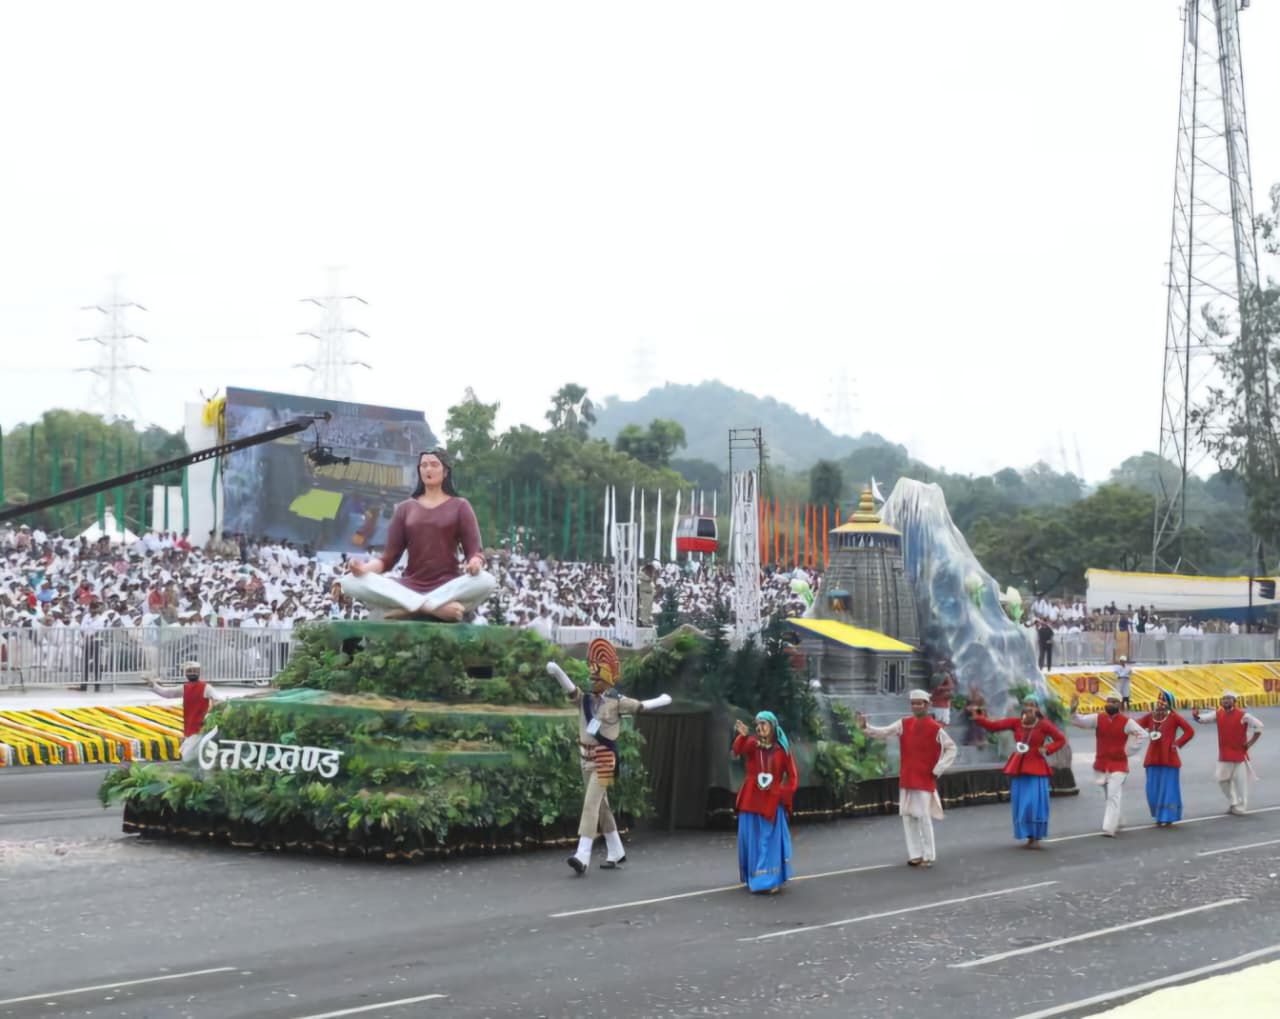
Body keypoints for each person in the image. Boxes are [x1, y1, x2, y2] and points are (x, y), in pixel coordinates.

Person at [546, 639, 671, 874]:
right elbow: (570, 688)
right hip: (585, 758)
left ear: (606, 681)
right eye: (591, 679)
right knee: (602, 807)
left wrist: (663, 700)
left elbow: (641, 706)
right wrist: (557, 672)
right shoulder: (584, 700)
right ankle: (616, 850)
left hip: (604, 758)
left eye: (597, 680)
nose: (592, 682)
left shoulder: (616, 701)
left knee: (591, 804)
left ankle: (582, 855)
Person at [340, 449, 497, 622]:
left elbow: (474, 551)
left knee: (487, 581)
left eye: (434, 465)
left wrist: (475, 563)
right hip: (410, 586)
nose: (428, 469)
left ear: (445, 471)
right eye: (424, 465)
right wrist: (363, 569)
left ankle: (408, 608)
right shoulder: (405, 508)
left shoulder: (460, 506)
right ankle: (430, 607)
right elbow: (388, 559)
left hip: (448, 585)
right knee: (349, 582)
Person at [858, 689, 958, 867]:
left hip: (925, 777)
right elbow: (884, 732)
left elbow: (952, 748)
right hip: (908, 776)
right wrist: (866, 727)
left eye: (919, 703)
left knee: (924, 817)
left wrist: (939, 768)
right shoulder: (903, 723)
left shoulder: (936, 728)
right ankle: (915, 854)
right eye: (913, 703)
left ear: (927, 705)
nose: (916, 706)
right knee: (908, 816)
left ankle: (928, 855)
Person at [967, 695, 1067, 849]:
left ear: (1038, 708)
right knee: (1021, 804)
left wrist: (1047, 749)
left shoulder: (1044, 725)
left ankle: (1036, 837)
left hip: (1036, 768)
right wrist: (979, 718)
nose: (1028, 707)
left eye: (1032, 704)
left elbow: (1061, 739)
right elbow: (995, 726)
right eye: (1026, 704)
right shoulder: (1016, 723)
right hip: (1019, 767)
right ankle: (1028, 835)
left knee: (1033, 803)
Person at [732, 710, 799, 894]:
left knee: (768, 841)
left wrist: (781, 793)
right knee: (751, 839)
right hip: (751, 800)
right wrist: (742, 736)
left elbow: (793, 778)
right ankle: (754, 876)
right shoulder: (753, 745)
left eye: (764, 724)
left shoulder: (781, 751)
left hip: (771, 803)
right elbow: (737, 751)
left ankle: (770, 880)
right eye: (757, 724)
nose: (759, 727)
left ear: (773, 726)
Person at [1068, 692, 1148, 837]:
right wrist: (1073, 710)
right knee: (1110, 795)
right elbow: (1080, 721)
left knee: (1113, 795)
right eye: (1108, 701)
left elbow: (1142, 734)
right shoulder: (1098, 718)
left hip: (1119, 765)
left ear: (1119, 704)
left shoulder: (1127, 722)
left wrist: (1128, 750)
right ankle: (1118, 819)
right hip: (1101, 764)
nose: (1110, 704)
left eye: (1114, 701)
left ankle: (1109, 828)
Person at [1192, 692, 1264, 815]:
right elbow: (1202, 719)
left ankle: (1241, 807)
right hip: (1224, 755)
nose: (1225, 701)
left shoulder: (1244, 715)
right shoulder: (1218, 714)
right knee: (1221, 779)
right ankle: (1234, 802)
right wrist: (1196, 714)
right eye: (1224, 699)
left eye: (1228, 699)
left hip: (1239, 755)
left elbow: (1259, 726)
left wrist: (1250, 743)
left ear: (1234, 701)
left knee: (1240, 783)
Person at [1134, 689, 1195, 826]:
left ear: (1169, 704)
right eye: (1159, 700)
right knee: (1152, 789)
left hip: (1169, 758)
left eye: (1164, 701)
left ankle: (1167, 817)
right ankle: (1158, 815)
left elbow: (1190, 731)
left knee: (1168, 789)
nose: (1160, 703)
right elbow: (1134, 725)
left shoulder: (1174, 717)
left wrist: (1177, 743)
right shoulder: (1151, 716)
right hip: (1152, 758)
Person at [147, 660, 223, 761]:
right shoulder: (185, 688)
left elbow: (219, 699)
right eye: (189, 671)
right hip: (189, 728)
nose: (192, 673)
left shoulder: (206, 687)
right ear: (186, 673)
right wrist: (153, 685)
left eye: (194, 671)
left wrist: (210, 711)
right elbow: (168, 693)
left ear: (199, 672)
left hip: (200, 728)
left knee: (188, 757)